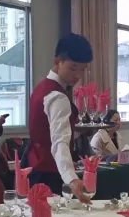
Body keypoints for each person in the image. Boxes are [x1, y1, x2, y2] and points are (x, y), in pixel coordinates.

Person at [26, 33, 93, 203]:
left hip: (35, 169)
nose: (77, 75)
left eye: (82, 69)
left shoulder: (41, 88)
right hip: (50, 176)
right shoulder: (57, 96)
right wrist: (71, 178)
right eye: (73, 68)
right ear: (57, 62)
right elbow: (59, 141)